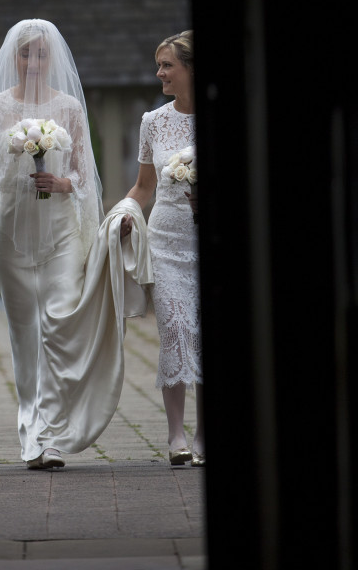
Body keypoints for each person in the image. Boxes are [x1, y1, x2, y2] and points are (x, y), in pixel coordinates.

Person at [0, 19, 152, 470]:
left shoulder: (68, 107)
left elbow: (86, 176)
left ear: (53, 59)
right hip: (13, 234)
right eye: (25, 54)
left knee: (58, 321)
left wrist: (61, 182)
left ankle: (56, 429)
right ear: (15, 58)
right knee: (25, 334)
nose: (33, 62)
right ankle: (34, 436)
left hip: (61, 233)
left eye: (41, 54)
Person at [121, 29, 205, 467]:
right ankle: (176, 437)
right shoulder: (153, 121)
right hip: (166, 242)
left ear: (191, 68)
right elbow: (143, 186)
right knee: (174, 331)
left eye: (168, 65)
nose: (160, 73)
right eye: (159, 65)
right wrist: (122, 214)